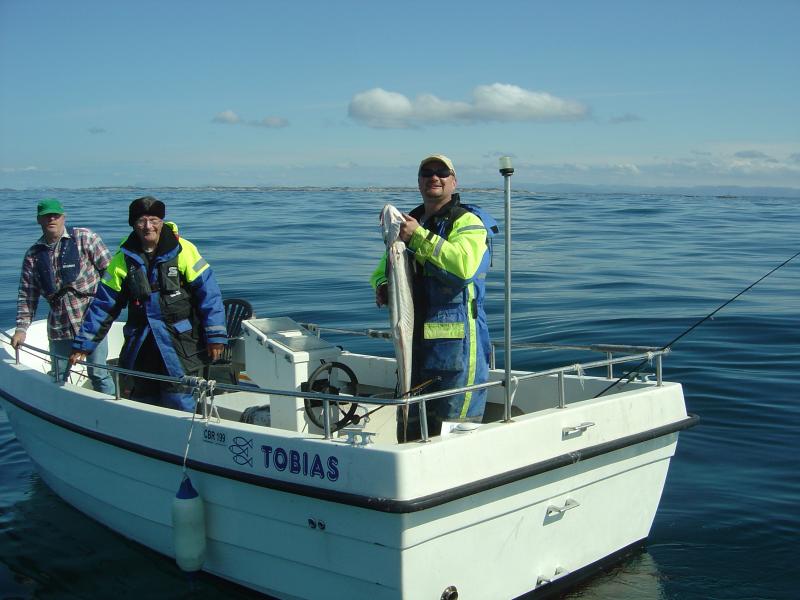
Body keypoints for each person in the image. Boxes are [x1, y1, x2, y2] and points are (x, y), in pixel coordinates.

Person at [370, 154, 496, 440]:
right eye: (427, 172)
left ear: (454, 181)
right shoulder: (411, 224)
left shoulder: (467, 222)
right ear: (419, 182)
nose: (434, 177)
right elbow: (381, 269)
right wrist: (382, 284)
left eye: (442, 172)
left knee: (454, 434)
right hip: (415, 348)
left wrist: (418, 238)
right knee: (411, 431)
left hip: (459, 354)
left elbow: (463, 268)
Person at [69, 196, 227, 411]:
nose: (147, 226)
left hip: (179, 344)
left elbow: (209, 295)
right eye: (141, 221)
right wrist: (83, 345)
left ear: (162, 221)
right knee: (142, 401)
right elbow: (104, 304)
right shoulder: (123, 258)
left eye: (153, 220)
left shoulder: (184, 250)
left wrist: (215, 337)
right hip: (141, 345)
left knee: (179, 399)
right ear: (133, 224)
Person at [11, 199, 115, 393]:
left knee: (98, 374)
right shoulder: (33, 255)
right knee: (58, 376)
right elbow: (27, 295)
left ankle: (114, 412)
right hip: (60, 325)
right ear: (38, 220)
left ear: (63, 217)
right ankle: (60, 411)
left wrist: (109, 310)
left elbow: (111, 277)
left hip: (91, 321)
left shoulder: (86, 238)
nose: (52, 219)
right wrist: (21, 329)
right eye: (46, 216)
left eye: (55, 215)